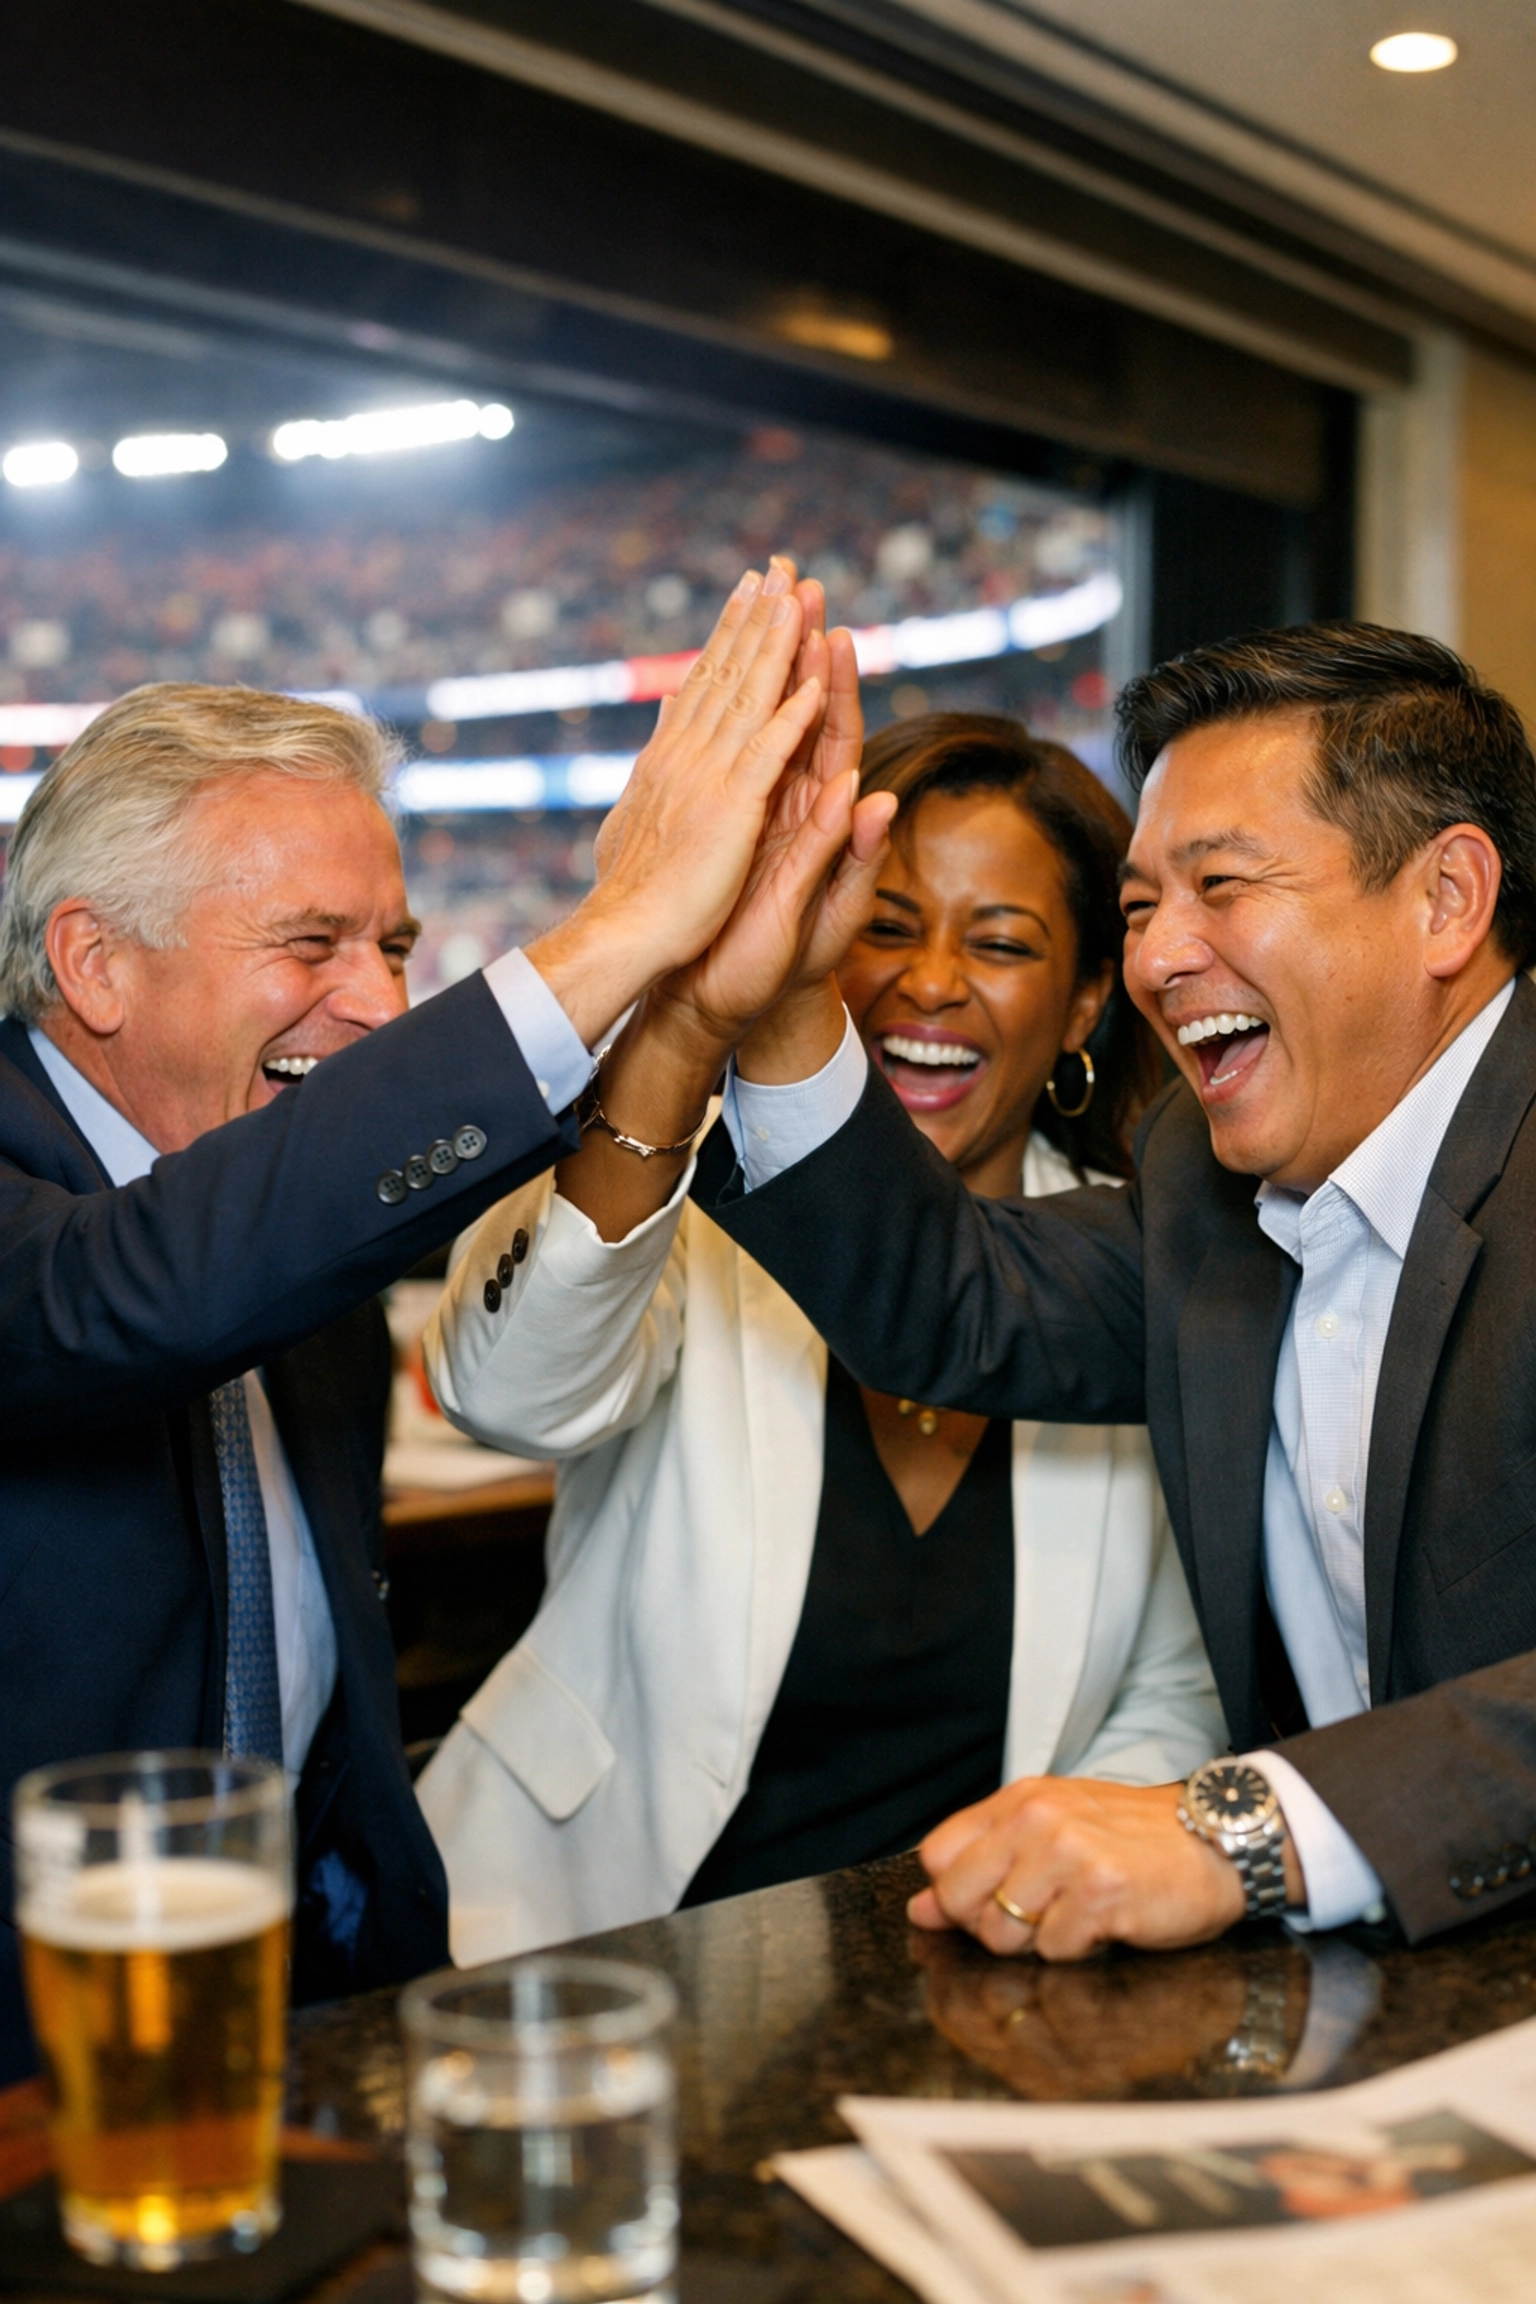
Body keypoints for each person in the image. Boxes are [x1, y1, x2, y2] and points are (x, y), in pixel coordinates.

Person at [0, 559, 891, 2080]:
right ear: (93, 962)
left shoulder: (297, 1187)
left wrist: (679, 1012)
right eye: (311, 945)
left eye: (396, 948)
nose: (376, 1006)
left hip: (334, 2017)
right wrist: (620, 927)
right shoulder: (211, 1205)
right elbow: (129, 1294)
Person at [591, 621, 1536, 1961]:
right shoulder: (1207, 1197)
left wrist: (1246, 1827)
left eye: (1222, 885)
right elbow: (946, 1300)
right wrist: (792, 986)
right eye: (1144, 907)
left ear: (1446, 898)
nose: (1157, 961)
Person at [416, 714, 1224, 1962]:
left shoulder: (1142, 1270)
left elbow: (1172, 1687)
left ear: (1081, 1008)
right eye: (884, 927)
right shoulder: (696, 1205)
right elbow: (505, 1395)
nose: (932, 980)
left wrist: (1029, 1891)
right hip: (579, 1951)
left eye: (1001, 942)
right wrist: (682, 1035)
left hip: (962, 1983)